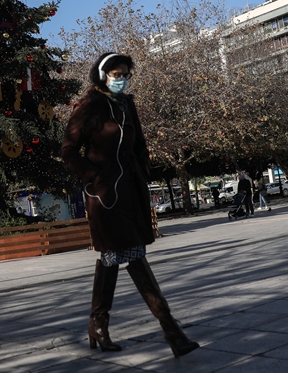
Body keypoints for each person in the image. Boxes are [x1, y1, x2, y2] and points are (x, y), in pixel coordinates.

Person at [62, 52, 199, 358]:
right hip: (105, 196)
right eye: (115, 72)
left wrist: (142, 168)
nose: (121, 77)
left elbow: (139, 144)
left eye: (125, 73)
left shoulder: (128, 104)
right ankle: (172, 331)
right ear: (102, 74)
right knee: (132, 256)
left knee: (116, 258)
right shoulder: (90, 105)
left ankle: (98, 325)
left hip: (130, 191)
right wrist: (95, 179)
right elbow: (69, 150)